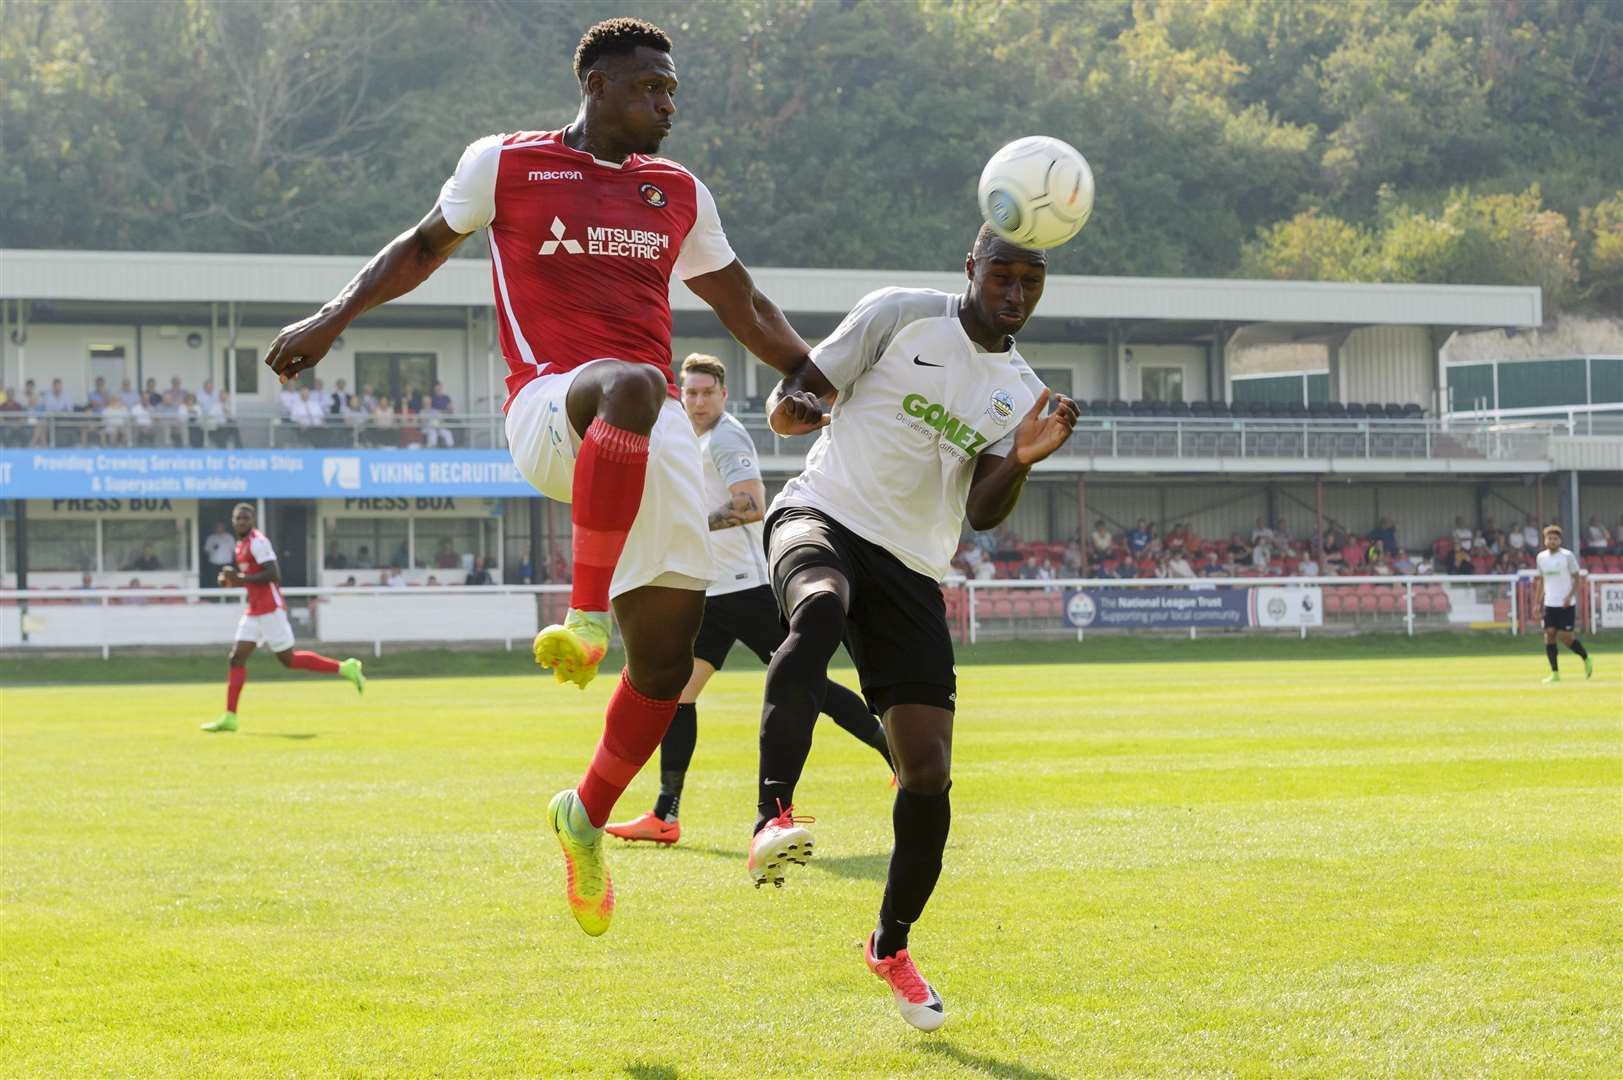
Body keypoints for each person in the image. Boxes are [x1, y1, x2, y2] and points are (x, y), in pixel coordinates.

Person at [264, 18, 823, 939]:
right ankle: (582, 613)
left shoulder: (676, 190)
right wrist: (331, 318)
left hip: (652, 444)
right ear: (598, 84)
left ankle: (586, 812)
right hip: (551, 407)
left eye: (673, 91)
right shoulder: (505, 163)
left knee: (664, 664)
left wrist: (812, 372)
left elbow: (744, 301)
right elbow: (418, 246)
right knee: (639, 382)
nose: (669, 105)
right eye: (652, 88)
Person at [746, 224, 1078, 1030]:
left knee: (925, 772)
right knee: (818, 606)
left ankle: (889, 944)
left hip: (911, 568)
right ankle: (773, 816)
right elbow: (798, 395)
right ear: (972, 268)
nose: (1015, 294)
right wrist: (793, 408)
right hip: (820, 513)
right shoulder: (899, 314)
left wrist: (1022, 457)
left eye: (1031, 283)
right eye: (1002, 275)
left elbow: (981, 510)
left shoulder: (1019, 389)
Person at [606, 353, 891, 847]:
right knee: (679, 696)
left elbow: (751, 504)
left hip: (744, 587)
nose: (697, 401)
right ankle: (665, 814)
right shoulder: (694, 439)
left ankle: (896, 752)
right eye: (689, 392)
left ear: (722, 393)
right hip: (712, 588)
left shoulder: (726, 436)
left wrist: (686, 524)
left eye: (706, 392)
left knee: (807, 683)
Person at [202, 503, 365, 733]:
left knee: (289, 660)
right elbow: (248, 578)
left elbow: (272, 573)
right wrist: (232, 581)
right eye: (238, 519)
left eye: (246, 519)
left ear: (253, 521)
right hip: (254, 609)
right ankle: (230, 717)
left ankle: (345, 668)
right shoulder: (240, 545)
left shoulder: (259, 542)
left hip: (270, 609)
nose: (242, 522)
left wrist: (240, 579)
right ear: (233, 521)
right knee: (236, 658)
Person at [1533, 525, 1593, 683]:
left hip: (1566, 603)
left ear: (1559, 540)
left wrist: (1569, 596)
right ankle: (1555, 673)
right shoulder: (1541, 557)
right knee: (1550, 635)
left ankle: (1586, 658)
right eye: (1549, 538)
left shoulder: (1567, 556)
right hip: (1549, 603)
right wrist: (1537, 603)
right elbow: (1541, 581)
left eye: (1555, 538)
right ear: (1545, 540)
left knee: (1565, 637)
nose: (1552, 541)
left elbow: (1577, 578)